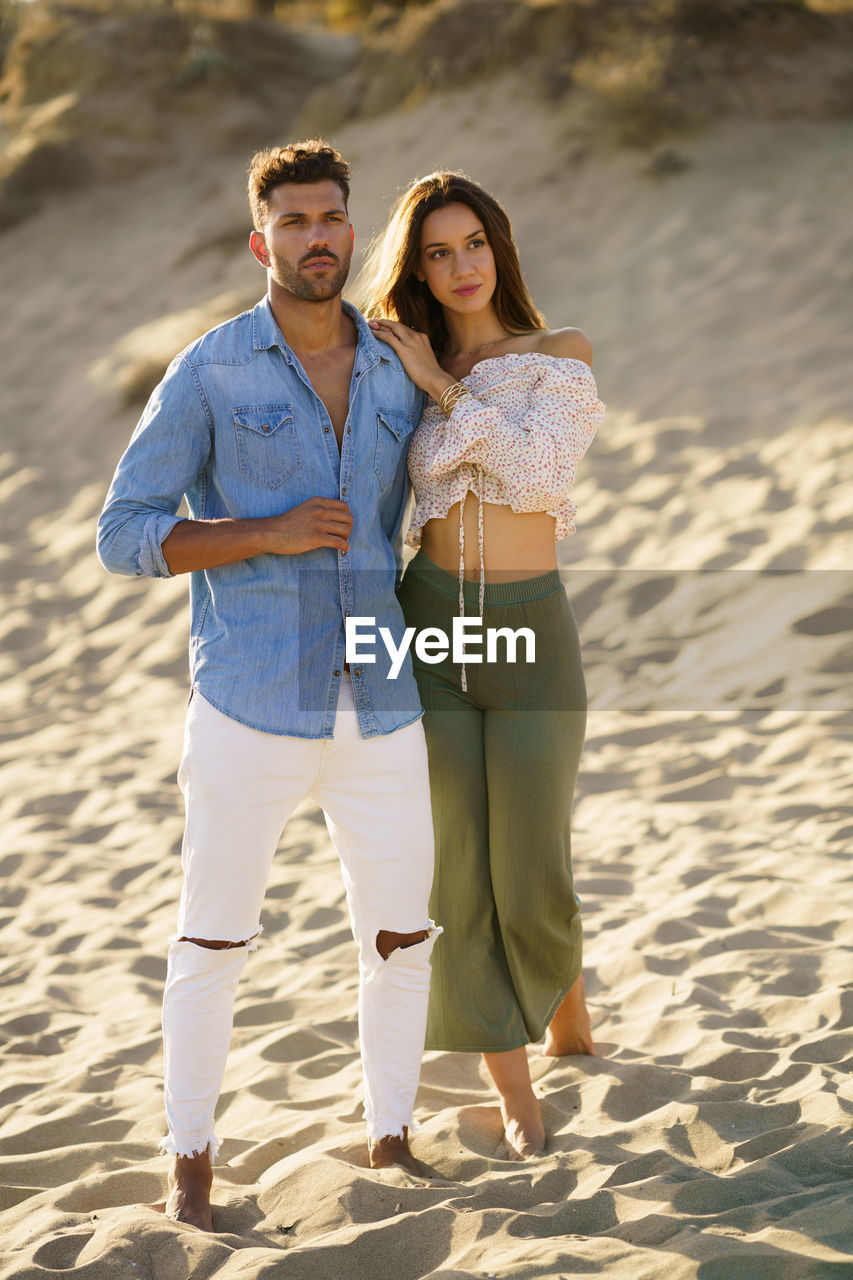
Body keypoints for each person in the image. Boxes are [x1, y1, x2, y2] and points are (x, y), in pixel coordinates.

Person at [96, 141, 440, 1231]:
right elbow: (123, 533)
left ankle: (391, 1136)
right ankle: (190, 1165)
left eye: (332, 216)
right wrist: (266, 531)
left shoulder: (395, 363)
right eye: (293, 221)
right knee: (213, 941)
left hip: (380, 695)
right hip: (248, 698)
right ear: (262, 241)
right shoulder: (211, 367)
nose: (317, 236)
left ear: (352, 229)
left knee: (401, 936)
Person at [358, 170, 603, 1159]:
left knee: (531, 869)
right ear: (416, 268)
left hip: (529, 632)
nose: (459, 267)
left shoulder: (558, 354)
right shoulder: (395, 368)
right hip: (433, 630)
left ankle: (567, 1011)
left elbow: (541, 471)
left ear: (498, 247)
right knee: (459, 865)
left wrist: (445, 386)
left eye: (472, 245)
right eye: (435, 253)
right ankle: (517, 1096)